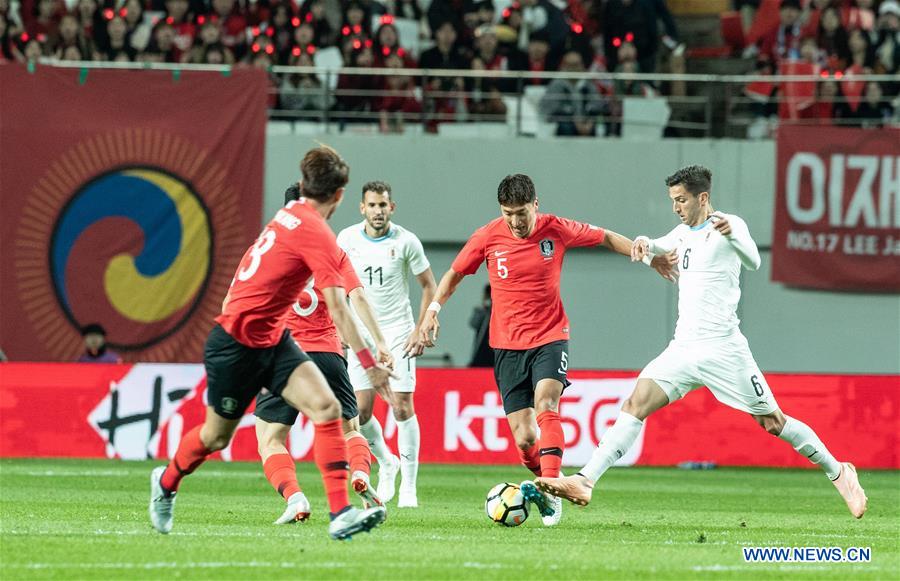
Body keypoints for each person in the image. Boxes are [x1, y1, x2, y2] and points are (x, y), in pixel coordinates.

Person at [534, 165, 868, 521]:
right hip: (683, 349)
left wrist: (733, 237)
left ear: (702, 197)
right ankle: (585, 480)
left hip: (724, 349)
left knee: (773, 422)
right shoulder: (681, 233)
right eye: (673, 201)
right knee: (635, 404)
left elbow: (754, 261)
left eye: (682, 200)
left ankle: (839, 471)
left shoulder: (730, 224)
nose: (677, 207)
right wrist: (645, 246)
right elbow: (656, 246)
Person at [148, 146, 395, 541]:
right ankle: (165, 483)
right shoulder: (317, 232)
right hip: (234, 346)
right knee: (216, 436)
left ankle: (340, 514)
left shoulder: (287, 214)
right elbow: (339, 304)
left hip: (274, 340)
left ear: (302, 186)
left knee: (326, 407)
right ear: (339, 195)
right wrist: (369, 362)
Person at [413, 174, 675, 526]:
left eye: (521, 213)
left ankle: (553, 488)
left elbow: (606, 237)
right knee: (524, 441)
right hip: (505, 346)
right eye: (508, 214)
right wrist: (432, 312)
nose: (516, 222)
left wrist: (648, 258)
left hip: (551, 336)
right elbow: (455, 274)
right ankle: (544, 479)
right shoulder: (488, 236)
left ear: (535, 204)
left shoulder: (557, 229)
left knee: (547, 403)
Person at [254, 184, 395, 524]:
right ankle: (360, 474)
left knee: (270, 438)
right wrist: (379, 343)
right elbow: (357, 297)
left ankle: (296, 498)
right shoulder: (333, 249)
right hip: (328, 354)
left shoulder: (269, 247)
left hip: (283, 356)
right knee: (350, 429)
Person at [337, 181, 437, 508]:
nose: (378, 211)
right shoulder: (346, 239)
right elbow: (336, 287)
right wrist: (340, 329)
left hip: (398, 331)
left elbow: (428, 285)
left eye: (383, 205)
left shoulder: (406, 241)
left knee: (401, 406)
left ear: (391, 208)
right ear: (361, 208)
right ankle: (387, 461)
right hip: (360, 335)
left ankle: (409, 487)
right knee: (360, 412)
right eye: (372, 205)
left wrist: (420, 327)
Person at [467, 284, 493, 367]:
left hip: (495, 347)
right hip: (481, 347)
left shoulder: (500, 311)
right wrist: (483, 306)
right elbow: (473, 323)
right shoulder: (481, 310)